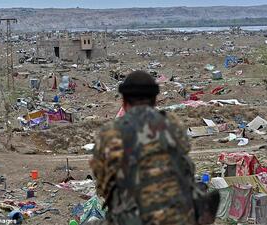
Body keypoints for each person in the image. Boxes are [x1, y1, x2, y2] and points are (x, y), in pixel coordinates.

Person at [90, 71, 219, 225]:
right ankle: (197, 207)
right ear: (154, 101)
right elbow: (186, 167)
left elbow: (103, 185)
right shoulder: (172, 125)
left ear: (124, 102)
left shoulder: (108, 133)